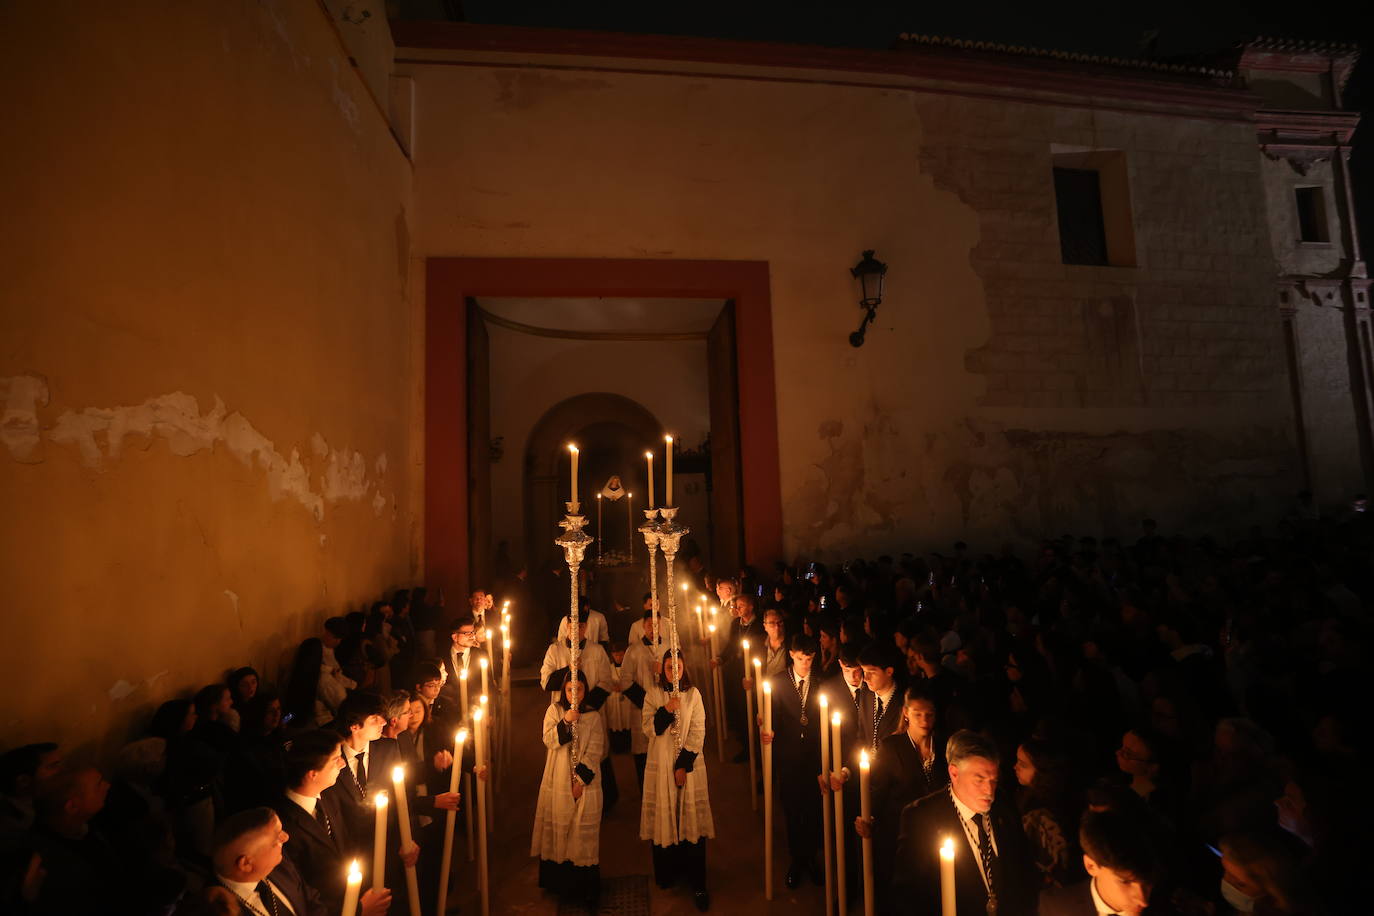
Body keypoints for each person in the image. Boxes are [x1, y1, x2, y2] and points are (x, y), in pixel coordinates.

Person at [891, 730, 1035, 916]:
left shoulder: (1004, 806)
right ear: (954, 773)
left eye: (994, 781)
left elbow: (1023, 871)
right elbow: (908, 895)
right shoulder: (921, 817)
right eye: (979, 780)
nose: (989, 791)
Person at [275, 729, 391, 914]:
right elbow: (302, 891)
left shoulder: (329, 796)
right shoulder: (283, 826)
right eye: (335, 759)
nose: (343, 764)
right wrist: (358, 909)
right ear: (312, 774)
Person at [856, 683, 947, 907]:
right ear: (906, 713)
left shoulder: (945, 747)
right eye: (917, 714)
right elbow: (878, 791)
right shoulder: (891, 747)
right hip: (897, 837)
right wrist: (869, 818)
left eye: (929, 714)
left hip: (934, 837)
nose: (924, 721)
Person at [640, 648, 714, 911]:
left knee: (690, 819)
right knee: (667, 816)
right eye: (670, 667)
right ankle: (668, 874)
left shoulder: (693, 695)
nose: (674, 671)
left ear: (684, 668)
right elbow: (649, 728)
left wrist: (683, 765)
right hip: (661, 766)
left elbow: (698, 730)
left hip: (689, 766)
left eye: (678, 666)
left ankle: (698, 882)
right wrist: (666, 709)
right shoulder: (652, 694)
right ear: (663, 669)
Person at [531, 670, 605, 909]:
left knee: (583, 834)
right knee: (561, 830)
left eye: (580, 689)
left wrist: (580, 781)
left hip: (584, 782)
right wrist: (566, 722)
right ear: (564, 690)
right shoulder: (554, 711)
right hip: (558, 776)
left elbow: (596, 749)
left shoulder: (593, 716)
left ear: (586, 690)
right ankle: (562, 887)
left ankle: (588, 888)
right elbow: (549, 740)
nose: (575, 694)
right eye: (571, 689)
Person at [760, 634, 824, 888]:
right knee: (791, 809)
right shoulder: (778, 682)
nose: (805, 664)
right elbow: (771, 716)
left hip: (814, 757)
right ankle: (796, 859)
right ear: (791, 656)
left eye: (809, 659)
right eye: (800, 658)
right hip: (788, 758)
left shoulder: (821, 682)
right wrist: (768, 729)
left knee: (811, 809)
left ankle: (810, 858)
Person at [1038, 808, 1160, 916]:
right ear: (1091, 866)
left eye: (1147, 881)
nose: (1143, 900)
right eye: (1125, 882)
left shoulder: (1166, 905)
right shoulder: (1055, 906)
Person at [209, 806, 328, 916]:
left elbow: (309, 898)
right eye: (276, 838)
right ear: (246, 864)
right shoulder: (216, 909)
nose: (286, 837)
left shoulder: (279, 863)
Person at [1014, 737, 1080, 889]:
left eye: (1023, 765)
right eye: (1017, 761)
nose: (1015, 767)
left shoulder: (1043, 814)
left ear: (1042, 771)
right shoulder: (1025, 796)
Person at [439, 615, 490, 718]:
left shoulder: (481, 655)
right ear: (454, 637)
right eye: (467, 633)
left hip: (476, 710)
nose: (472, 636)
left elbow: (488, 684)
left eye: (473, 632)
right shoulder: (442, 657)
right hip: (450, 712)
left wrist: (489, 713)